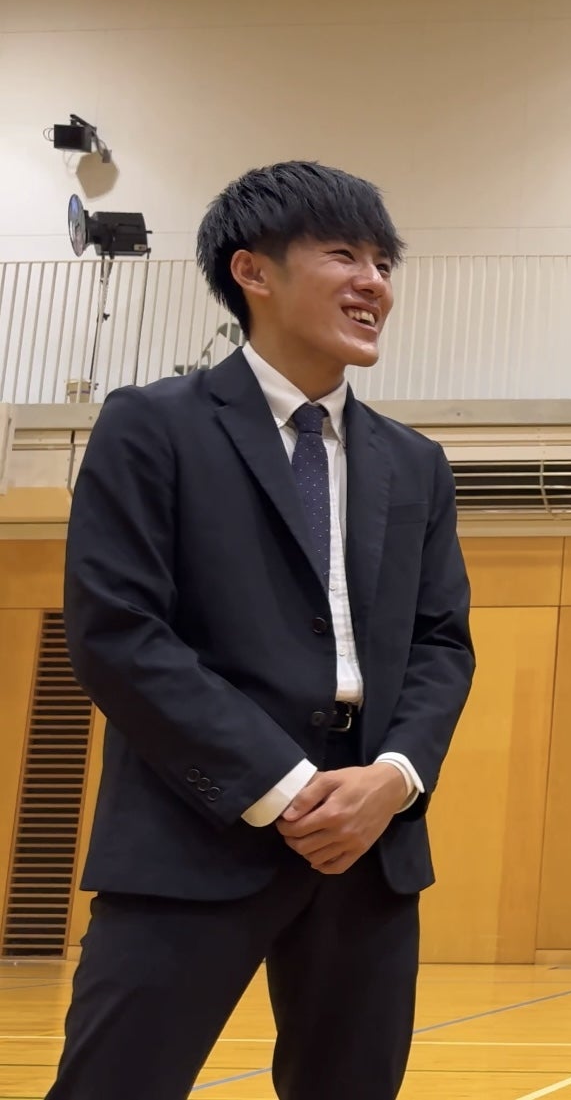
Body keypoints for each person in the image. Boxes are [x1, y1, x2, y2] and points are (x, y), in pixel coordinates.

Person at [49, 160, 475, 1098]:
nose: (375, 282)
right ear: (253, 271)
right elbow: (119, 633)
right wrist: (284, 787)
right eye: (344, 255)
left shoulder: (416, 463)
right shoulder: (150, 426)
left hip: (369, 845)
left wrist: (394, 778)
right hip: (190, 831)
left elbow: (442, 644)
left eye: (385, 263)